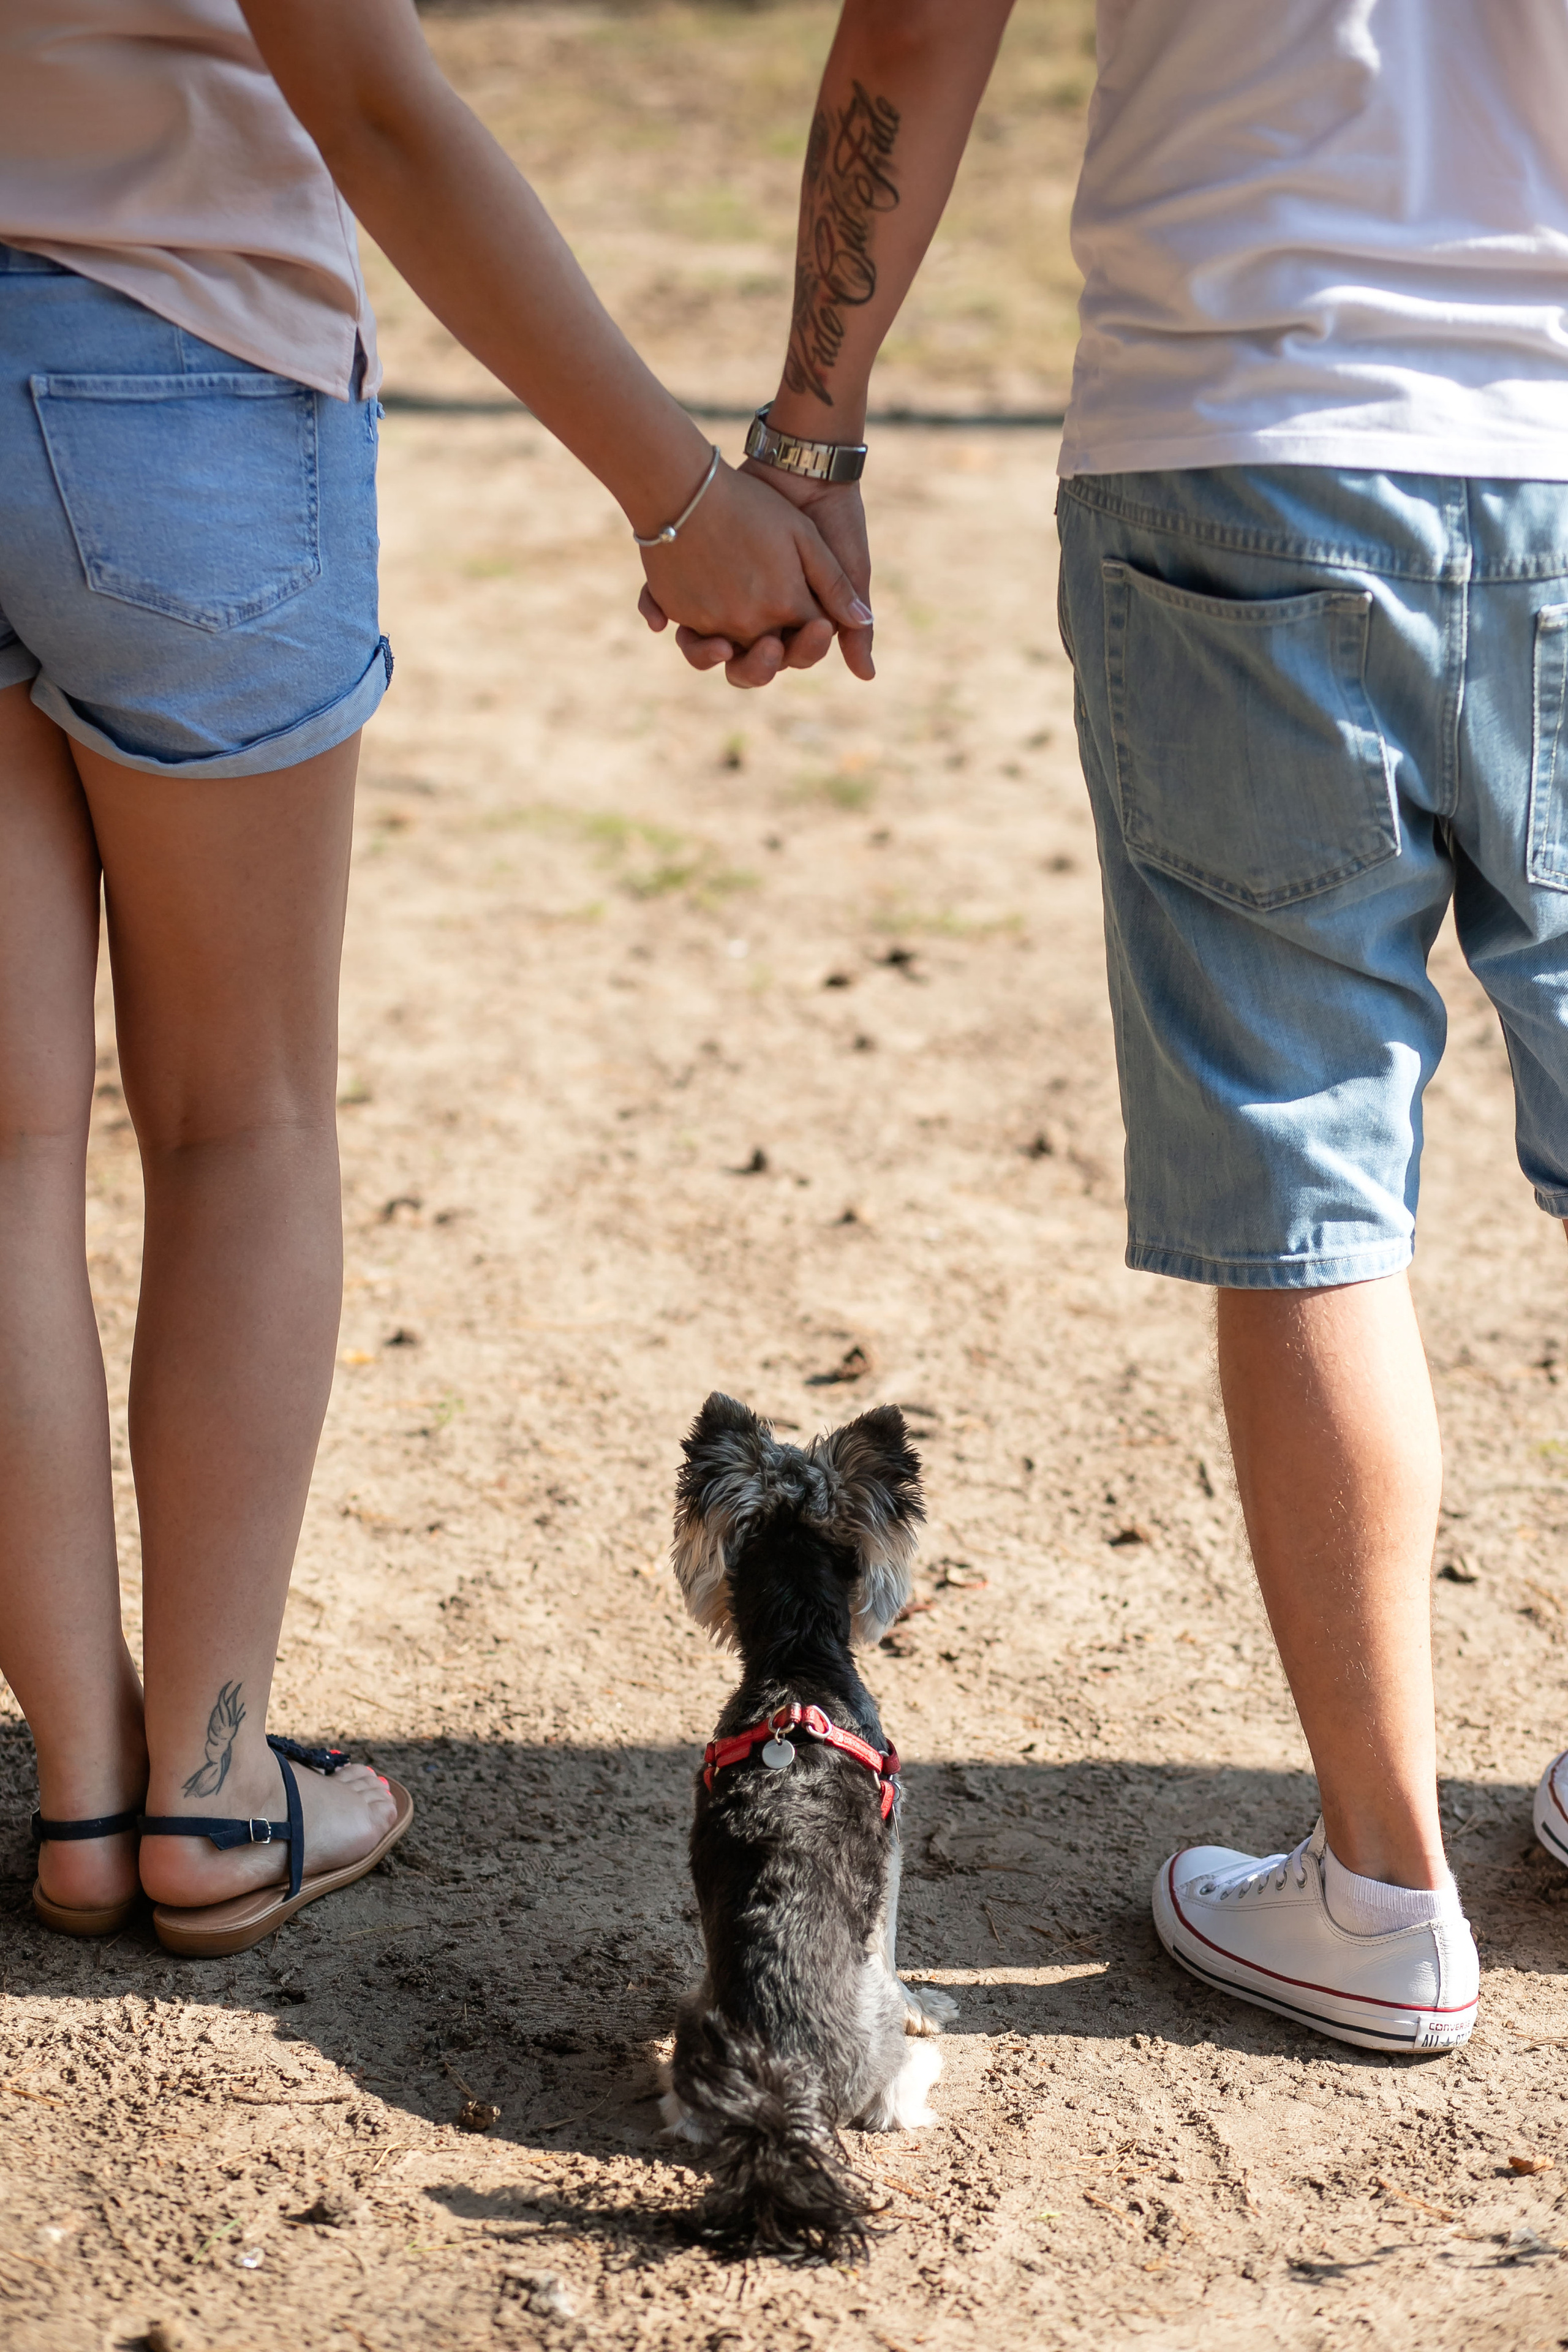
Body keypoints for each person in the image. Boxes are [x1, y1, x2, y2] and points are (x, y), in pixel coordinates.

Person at [667, 0, 1568, 2052]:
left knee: (1302, 1166)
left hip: (1244, 421)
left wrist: (811, 433)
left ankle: (1384, 1894)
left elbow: (923, 18)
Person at [0, 0, 873, 1956]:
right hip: (180, 372)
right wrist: (683, 499)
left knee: (5, 1142)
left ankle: (85, 1786)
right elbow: (374, 106)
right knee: (237, 1120)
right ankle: (210, 1792)